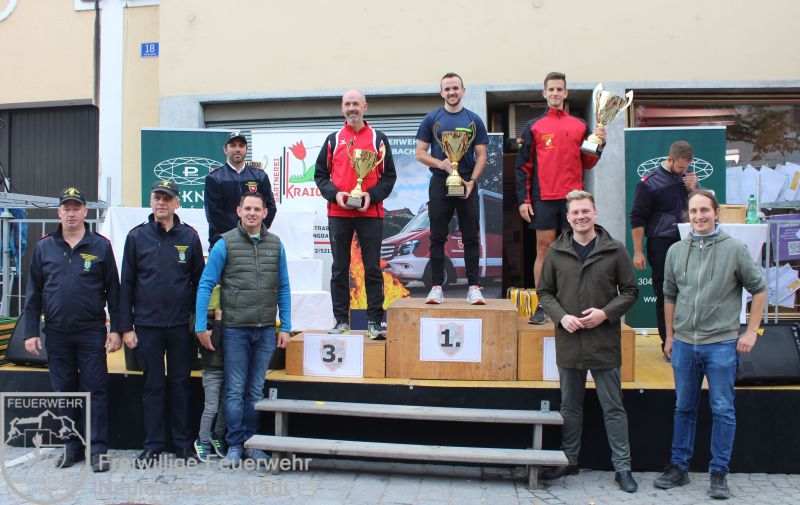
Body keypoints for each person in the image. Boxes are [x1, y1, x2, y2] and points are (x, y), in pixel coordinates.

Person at [655, 189, 767, 500]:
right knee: (683, 407)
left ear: (716, 213)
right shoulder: (676, 251)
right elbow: (669, 295)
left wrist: (752, 331)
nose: (699, 216)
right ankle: (679, 467)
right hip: (684, 344)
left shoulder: (735, 249)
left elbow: (759, 289)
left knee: (722, 409)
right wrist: (670, 336)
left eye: (705, 210)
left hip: (721, 344)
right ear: (688, 216)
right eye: (693, 211)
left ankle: (719, 473)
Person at [537, 190, 639, 493]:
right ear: (568, 218)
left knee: (613, 407)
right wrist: (561, 317)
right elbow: (545, 292)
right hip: (569, 339)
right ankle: (569, 460)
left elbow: (630, 291)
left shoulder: (615, 250)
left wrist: (605, 314)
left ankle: (623, 467)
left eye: (585, 211)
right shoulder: (556, 251)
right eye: (575, 212)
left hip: (603, 339)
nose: (581, 217)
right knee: (570, 405)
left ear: (595, 213)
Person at [22, 186, 122, 473]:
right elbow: (33, 293)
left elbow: (114, 292)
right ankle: (71, 446)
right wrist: (30, 332)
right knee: (64, 391)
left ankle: (98, 449)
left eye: (76, 208)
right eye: (66, 208)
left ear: (85, 212)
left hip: (90, 331)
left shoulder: (100, 246)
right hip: (56, 333)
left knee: (95, 390)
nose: (71, 214)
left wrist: (116, 329)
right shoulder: (44, 247)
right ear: (59, 212)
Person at [195, 192, 291, 468]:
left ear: (264, 213)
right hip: (235, 330)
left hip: (265, 331)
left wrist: (285, 326)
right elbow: (205, 284)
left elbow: (283, 287)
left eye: (257, 209)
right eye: (247, 208)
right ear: (238, 211)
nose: (252, 213)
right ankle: (235, 445)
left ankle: (252, 444)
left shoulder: (276, 244)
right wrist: (201, 326)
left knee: (255, 390)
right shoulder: (224, 244)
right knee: (235, 390)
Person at [119, 180, 205, 467]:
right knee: (153, 386)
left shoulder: (189, 236)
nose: (161, 203)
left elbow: (199, 283)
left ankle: (183, 445)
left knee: (181, 385)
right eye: (157, 197)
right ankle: (153, 445)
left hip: (180, 326)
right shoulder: (136, 237)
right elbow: (126, 284)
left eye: (167, 198)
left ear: (176, 203)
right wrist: (126, 327)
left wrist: (198, 323)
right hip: (147, 325)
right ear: (151, 201)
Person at [515, 71, 607, 324]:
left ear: (565, 93)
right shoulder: (533, 126)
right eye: (551, 89)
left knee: (575, 252)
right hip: (543, 197)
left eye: (559, 89)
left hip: (573, 201)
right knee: (543, 249)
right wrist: (524, 199)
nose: (555, 93)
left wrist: (600, 143)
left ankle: (572, 303)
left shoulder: (580, 125)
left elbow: (588, 162)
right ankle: (543, 305)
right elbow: (523, 167)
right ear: (544, 93)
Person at [314, 89, 397, 339]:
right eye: (347, 104)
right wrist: (335, 195)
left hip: (370, 213)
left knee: (372, 267)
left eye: (356, 104)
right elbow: (320, 175)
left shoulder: (378, 138)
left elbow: (389, 177)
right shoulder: (333, 139)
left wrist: (371, 196)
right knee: (340, 268)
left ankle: (374, 322)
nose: (352, 108)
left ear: (365, 107)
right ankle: (341, 320)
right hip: (338, 213)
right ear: (342, 108)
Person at [416, 72, 489, 305]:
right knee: (437, 236)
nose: (452, 92)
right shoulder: (431, 119)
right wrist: (442, 164)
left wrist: (472, 181)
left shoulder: (474, 120)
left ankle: (474, 287)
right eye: (447, 89)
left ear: (463, 91)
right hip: (440, 182)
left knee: (470, 236)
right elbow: (420, 153)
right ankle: (436, 286)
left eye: (455, 88)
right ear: (441, 93)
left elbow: (482, 155)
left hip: (466, 182)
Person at [630, 141, 698, 359]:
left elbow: (699, 208)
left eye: (687, 167)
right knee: (666, 292)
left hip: (688, 241)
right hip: (661, 243)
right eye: (680, 167)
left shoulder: (687, 179)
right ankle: (669, 344)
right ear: (670, 159)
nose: (683, 171)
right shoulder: (649, 182)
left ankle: (690, 341)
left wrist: (694, 189)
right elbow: (637, 218)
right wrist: (638, 251)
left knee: (691, 291)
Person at [204, 131, 277, 248]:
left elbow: (270, 208)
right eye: (233, 146)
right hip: (223, 242)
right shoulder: (214, 178)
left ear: (246, 149)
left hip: (255, 241)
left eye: (241, 146)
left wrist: (254, 231)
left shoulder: (260, 176)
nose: (237, 149)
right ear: (225, 149)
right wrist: (240, 234)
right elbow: (213, 214)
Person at [194, 304, 226, 461]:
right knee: (211, 407)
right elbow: (213, 342)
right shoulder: (198, 319)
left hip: (228, 369)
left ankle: (217, 435)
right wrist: (218, 320)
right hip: (211, 370)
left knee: (226, 405)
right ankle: (203, 440)